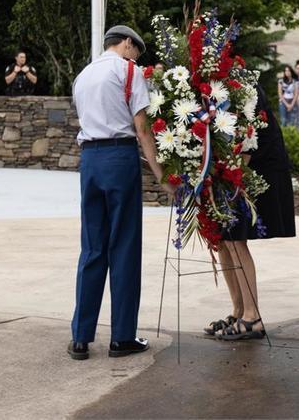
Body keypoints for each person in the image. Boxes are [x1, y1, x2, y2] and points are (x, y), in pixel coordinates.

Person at [68, 25, 173, 361]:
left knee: (92, 248)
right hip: (119, 157)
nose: (136, 59)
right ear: (127, 44)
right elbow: (141, 127)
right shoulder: (128, 71)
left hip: (90, 161)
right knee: (124, 246)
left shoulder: (83, 75)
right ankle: (122, 337)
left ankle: (81, 338)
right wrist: (161, 174)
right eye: (136, 51)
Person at [206, 85, 297, 341]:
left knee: (235, 239)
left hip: (255, 169)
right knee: (224, 241)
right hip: (232, 170)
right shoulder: (210, 88)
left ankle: (252, 317)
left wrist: (227, 173)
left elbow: (247, 144)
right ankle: (238, 310)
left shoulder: (243, 89)